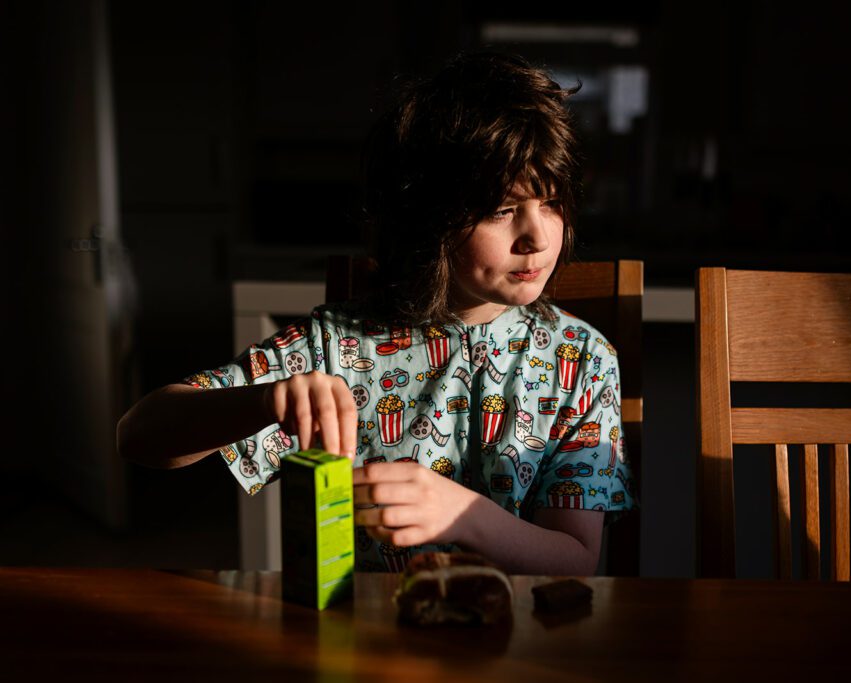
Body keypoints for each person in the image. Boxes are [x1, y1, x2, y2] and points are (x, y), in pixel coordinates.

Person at [117, 51, 638, 575]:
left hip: (520, 645)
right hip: (367, 637)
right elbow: (140, 436)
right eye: (502, 210)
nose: (538, 237)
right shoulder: (335, 347)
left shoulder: (584, 359)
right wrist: (266, 401)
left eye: (551, 202)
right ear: (429, 219)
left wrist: (464, 515)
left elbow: (575, 561)